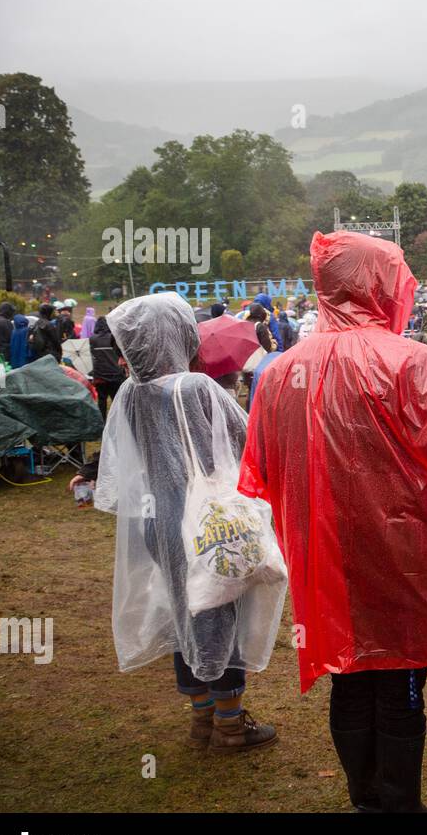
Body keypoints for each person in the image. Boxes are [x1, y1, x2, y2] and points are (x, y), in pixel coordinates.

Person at [238, 231, 427, 812]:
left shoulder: (281, 370)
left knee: (348, 669)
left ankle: (366, 798)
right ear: (379, 284)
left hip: (324, 551)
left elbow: (260, 463)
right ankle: (398, 803)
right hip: (400, 548)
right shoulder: (408, 362)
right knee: (401, 676)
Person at [94, 293, 285, 754]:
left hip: (157, 520)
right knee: (219, 607)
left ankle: (201, 718)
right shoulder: (196, 388)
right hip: (207, 522)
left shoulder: (129, 394)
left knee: (183, 609)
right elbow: (249, 437)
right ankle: (231, 724)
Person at [88, 316, 125, 419]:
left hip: (100, 375)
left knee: (102, 399)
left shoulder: (93, 339)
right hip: (116, 374)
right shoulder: (115, 338)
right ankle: (116, 421)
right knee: (116, 400)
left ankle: (102, 421)